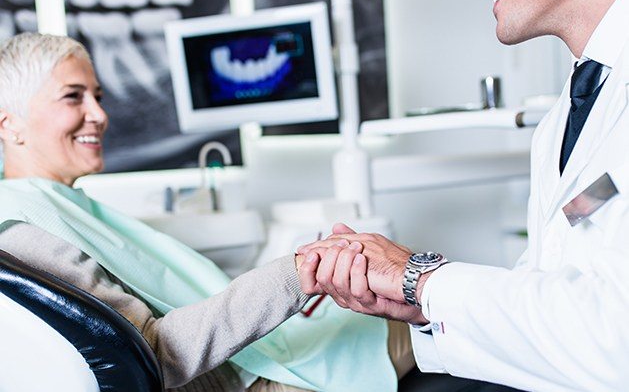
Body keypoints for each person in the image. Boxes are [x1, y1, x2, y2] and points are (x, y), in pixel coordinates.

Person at [0, 32, 413, 392]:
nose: (100, 115)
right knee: (423, 309)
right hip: (243, 382)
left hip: (242, 364)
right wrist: (300, 271)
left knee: (401, 285)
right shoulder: (26, 228)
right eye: (74, 96)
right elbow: (153, 352)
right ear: (9, 125)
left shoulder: (46, 206)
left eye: (98, 97)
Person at [298, 0, 629, 391]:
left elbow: (620, 342)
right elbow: (546, 281)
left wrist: (422, 280)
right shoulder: (567, 114)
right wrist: (418, 306)